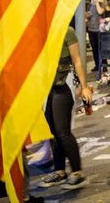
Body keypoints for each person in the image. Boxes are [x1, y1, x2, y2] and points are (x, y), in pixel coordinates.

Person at [38, 22, 93, 189]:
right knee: (52, 131)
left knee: (62, 131)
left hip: (64, 84)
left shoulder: (67, 31)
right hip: (46, 87)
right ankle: (60, 171)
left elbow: (77, 61)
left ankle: (77, 172)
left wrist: (84, 87)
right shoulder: (38, 32)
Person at [86, 0, 105, 72]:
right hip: (91, 29)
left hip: (99, 30)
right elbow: (85, 15)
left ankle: (104, 65)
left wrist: (96, 2)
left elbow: (100, 12)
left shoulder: (101, 4)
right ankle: (97, 65)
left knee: (101, 48)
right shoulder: (88, 5)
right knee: (94, 48)